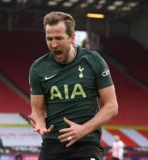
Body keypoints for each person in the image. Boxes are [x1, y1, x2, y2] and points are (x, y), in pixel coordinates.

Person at [28, 11, 118, 160]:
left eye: (59, 38)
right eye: (49, 39)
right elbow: (37, 110)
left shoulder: (93, 61)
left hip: (86, 144)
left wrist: (83, 130)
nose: (53, 44)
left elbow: (112, 106)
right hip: (52, 144)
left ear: (72, 37)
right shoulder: (38, 68)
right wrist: (39, 123)